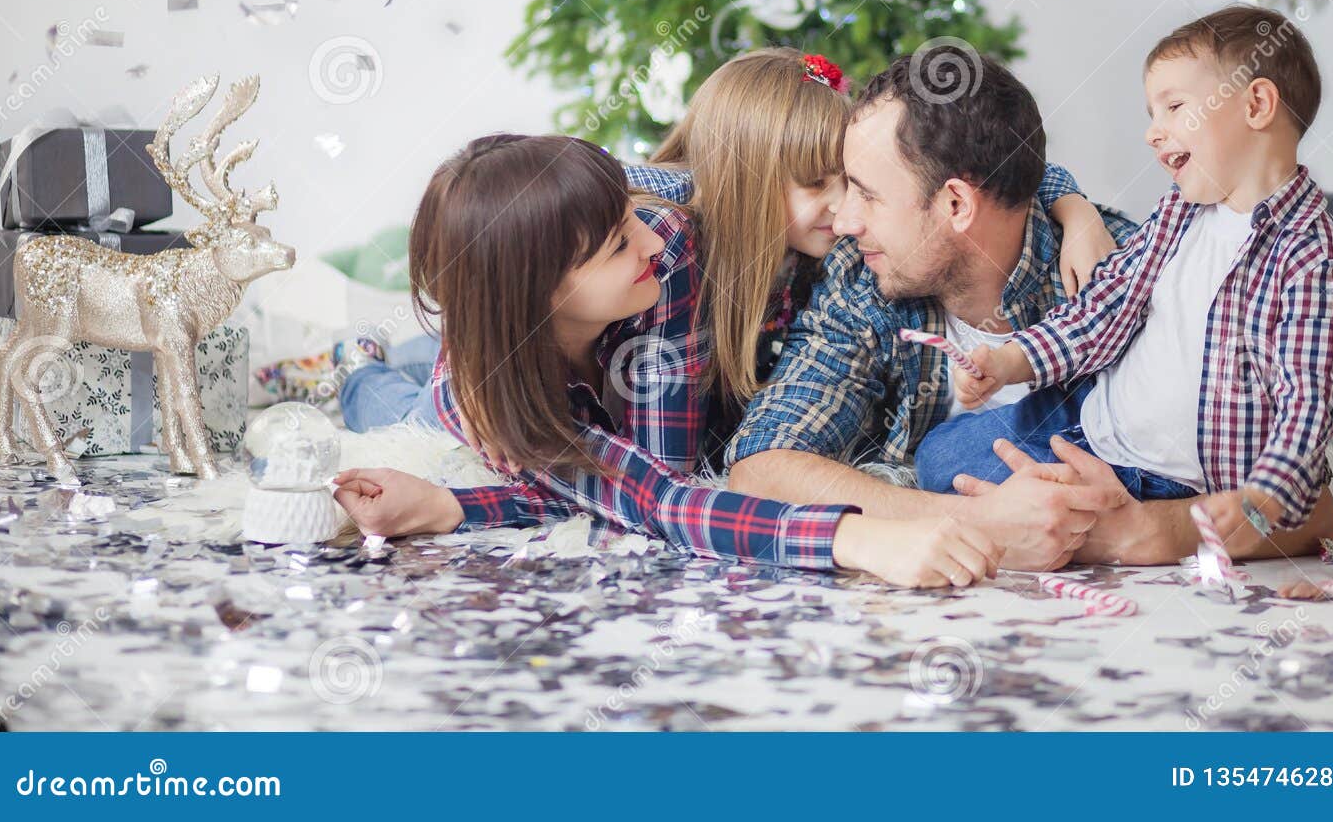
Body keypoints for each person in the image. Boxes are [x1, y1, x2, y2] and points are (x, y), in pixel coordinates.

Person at [332, 134, 1000, 588]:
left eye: (634, 216)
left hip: (555, 351)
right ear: (548, 291)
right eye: (622, 243)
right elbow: (658, 500)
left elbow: (635, 478)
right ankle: (356, 355)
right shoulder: (499, 404)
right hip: (471, 384)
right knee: (393, 408)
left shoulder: (664, 246)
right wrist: (858, 540)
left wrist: (453, 508)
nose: (656, 237)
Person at [916, 5, 1333, 564]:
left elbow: (1309, 399)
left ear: (1256, 104)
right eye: (1153, 113)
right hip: (1090, 420)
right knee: (939, 457)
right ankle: (1050, 507)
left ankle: (1081, 519)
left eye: (1174, 107)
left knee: (1042, 516)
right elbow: (1106, 306)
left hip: (1169, 480)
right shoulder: (1180, 212)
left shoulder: (1311, 255)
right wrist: (1013, 360)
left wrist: (1263, 495)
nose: (1153, 133)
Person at [723, 48, 1139, 571]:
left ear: (957, 205)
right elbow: (760, 468)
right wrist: (978, 524)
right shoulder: (860, 277)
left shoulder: (1123, 274)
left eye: (867, 194)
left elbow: (1257, 484)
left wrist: (1127, 531)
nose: (845, 220)